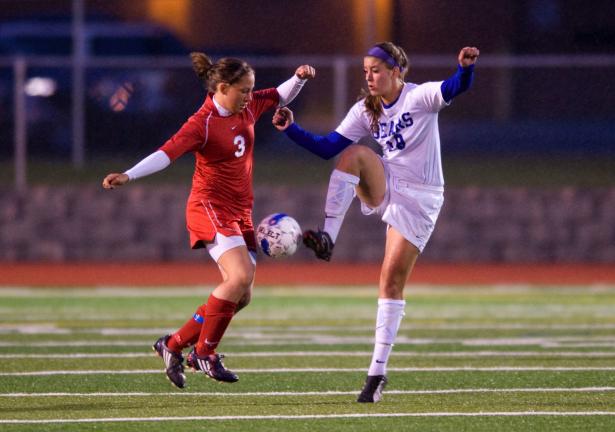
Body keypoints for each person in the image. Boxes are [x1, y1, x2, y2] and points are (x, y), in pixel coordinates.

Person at [273, 42, 479, 402]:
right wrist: (292, 128)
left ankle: (376, 374)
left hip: (422, 197)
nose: (369, 76)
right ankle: (328, 238)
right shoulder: (365, 110)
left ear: (397, 71)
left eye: (376, 70)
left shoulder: (419, 98)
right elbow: (327, 148)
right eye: (366, 70)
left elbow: (454, 88)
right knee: (355, 154)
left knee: (390, 280)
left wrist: (465, 69)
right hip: (388, 182)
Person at [102, 52, 315, 388]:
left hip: (240, 210)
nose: (249, 96)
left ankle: (171, 345)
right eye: (244, 90)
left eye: (251, 90)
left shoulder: (246, 105)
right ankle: (204, 353)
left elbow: (280, 94)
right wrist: (128, 175)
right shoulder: (201, 122)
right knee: (240, 275)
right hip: (209, 207)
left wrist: (300, 77)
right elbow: (166, 153)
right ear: (222, 87)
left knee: (241, 294)